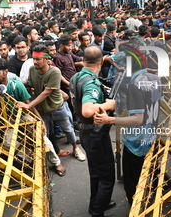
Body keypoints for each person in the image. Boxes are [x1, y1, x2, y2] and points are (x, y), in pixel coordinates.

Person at [94, 50, 162, 205]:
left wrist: (109, 120)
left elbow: (138, 119)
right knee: (150, 170)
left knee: (132, 181)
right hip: (151, 135)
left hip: (136, 142)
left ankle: (136, 207)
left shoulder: (134, 84)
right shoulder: (155, 78)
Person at [0, 58, 66, 176]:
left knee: (42, 138)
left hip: (24, 116)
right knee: (8, 144)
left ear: (6, 71)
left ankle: (56, 162)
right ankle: (31, 160)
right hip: (9, 120)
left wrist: (40, 121)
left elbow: (29, 105)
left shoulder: (17, 86)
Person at [15, 44, 86, 162]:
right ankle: (49, 159)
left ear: (47, 59)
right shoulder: (32, 69)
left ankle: (76, 148)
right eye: (34, 59)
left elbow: (46, 92)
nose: (35, 62)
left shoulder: (55, 71)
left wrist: (28, 105)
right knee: (44, 135)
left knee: (68, 130)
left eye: (38, 59)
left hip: (57, 107)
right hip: (42, 110)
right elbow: (30, 82)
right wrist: (16, 83)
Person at [70, 45, 116, 217]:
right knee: (107, 177)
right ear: (102, 61)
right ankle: (97, 211)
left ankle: (96, 203)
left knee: (96, 172)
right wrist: (108, 105)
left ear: (83, 61)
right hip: (96, 134)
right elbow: (87, 110)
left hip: (86, 133)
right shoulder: (91, 83)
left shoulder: (76, 76)